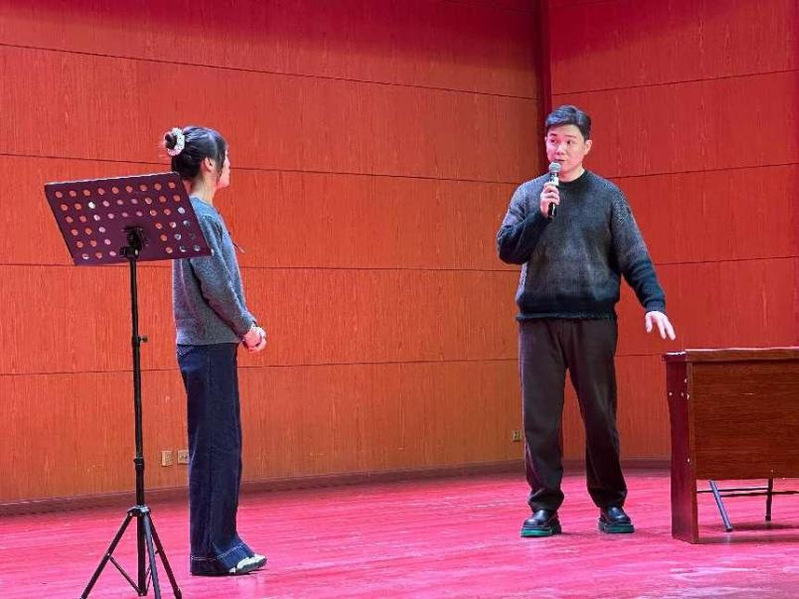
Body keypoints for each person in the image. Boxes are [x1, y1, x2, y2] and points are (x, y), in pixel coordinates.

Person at [496, 105, 676, 538]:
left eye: (569, 141)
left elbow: (634, 256)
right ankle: (544, 508)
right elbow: (507, 250)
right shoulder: (529, 194)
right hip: (539, 321)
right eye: (553, 140)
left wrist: (653, 302)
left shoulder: (608, 197)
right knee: (540, 420)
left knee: (599, 416)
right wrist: (540, 217)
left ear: (586, 146)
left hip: (593, 320)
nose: (560, 149)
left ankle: (611, 503)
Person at [164, 125, 268, 574]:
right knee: (216, 451)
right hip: (208, 347)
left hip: (207, 347)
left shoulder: (195, 213)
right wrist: (248, 328)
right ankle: (212, 552)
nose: (230, 164)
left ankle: (222, 544)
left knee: (219, 449)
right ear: (209, 164)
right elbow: (218, 287)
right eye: (226, 156)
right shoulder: (200, 215)